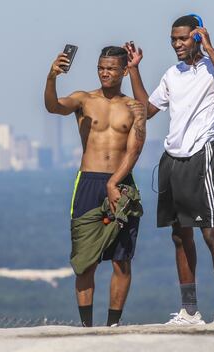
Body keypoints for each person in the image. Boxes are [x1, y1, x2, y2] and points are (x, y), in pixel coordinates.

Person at [125, 14, 214, 324]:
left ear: (198, 37)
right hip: (171, 160)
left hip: (199, 155)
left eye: (183, 38)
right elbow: (147, 110)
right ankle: (189, 310)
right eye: (173, 39)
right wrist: (134, 71)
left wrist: (211, 49)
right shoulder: (172, 74)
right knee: (179, 235)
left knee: (211, 234)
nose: (177, 44)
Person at [44, 46, 147, 327]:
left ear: (124, 71)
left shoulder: (134, 106)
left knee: (121, 261)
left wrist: (115, 182)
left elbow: (135, 150)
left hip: (122, 180)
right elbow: (53, 107)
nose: (105, 73)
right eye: (101, 67)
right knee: (85, 261)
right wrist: (52, 77)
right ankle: (87, 328)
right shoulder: (83, 99)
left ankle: (112, 324)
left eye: (111, 68)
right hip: (89, 181)